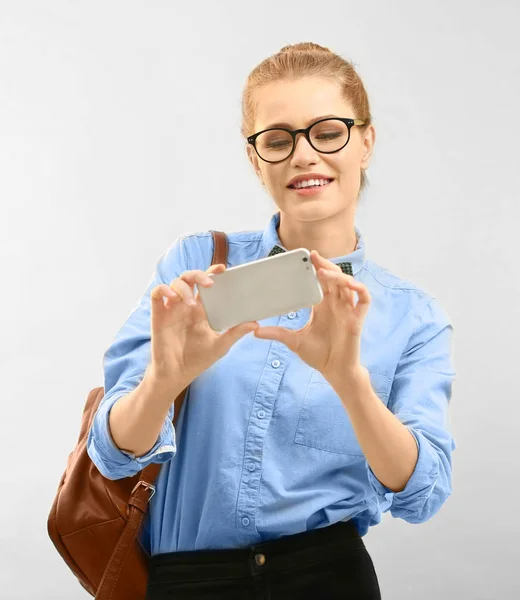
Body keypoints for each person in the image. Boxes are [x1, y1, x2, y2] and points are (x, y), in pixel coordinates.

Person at [87, 42, 456, 600]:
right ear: (255, 159)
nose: (304, 156)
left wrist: (351, 384)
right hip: (187, 580)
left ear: (366, 141)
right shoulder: (196, 267)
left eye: (327, 131)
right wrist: (165, 381)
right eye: (278, 140)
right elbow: (111, 455)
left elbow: (422, 494)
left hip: (325, 578)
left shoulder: (413, 317)